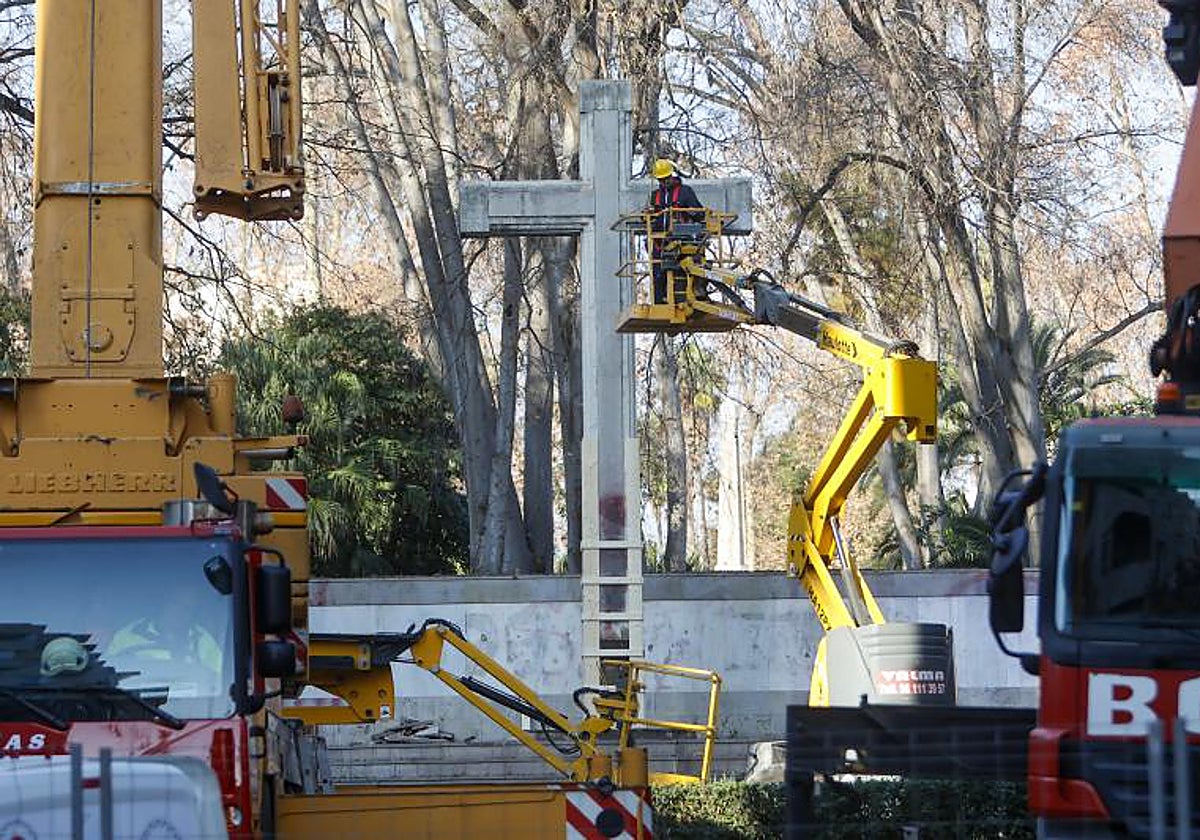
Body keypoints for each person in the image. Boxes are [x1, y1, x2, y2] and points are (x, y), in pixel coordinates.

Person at [647, 159, 704, 304]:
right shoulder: (655, 195)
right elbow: (653, 217)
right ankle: (660, 301)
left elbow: (699, 213)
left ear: (671, 176)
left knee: (687, 269)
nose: (663, 182)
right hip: (661, 241)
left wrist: (690, 213)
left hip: (682, 240)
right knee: (658, 271)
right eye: (660, 180)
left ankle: (694, 294)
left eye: (665, 179)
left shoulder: (685, 192)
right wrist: (649, 214)